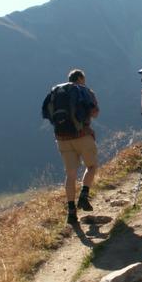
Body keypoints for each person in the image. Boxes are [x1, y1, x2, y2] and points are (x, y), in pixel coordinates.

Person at [42, 69, 99, 224]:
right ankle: (84, 195)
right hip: (82, 135)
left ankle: (71, 212)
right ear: (80, 78)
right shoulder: (85, 90)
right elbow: (95, 112)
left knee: (71, 174)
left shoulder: (56, 92)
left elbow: (47, 113)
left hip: (62, 138)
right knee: (92, 166)